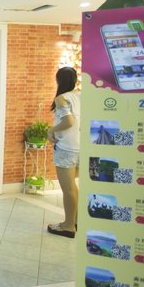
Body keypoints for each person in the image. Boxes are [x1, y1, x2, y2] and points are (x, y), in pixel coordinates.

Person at [47, 66, 80, 238]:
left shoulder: (62, 98)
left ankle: (68, 226)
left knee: (68, 189)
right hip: (82, 147)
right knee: (73, 187)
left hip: (66, 148)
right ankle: (75, 221)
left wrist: (51, 130)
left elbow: (68, 121)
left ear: (58, 80)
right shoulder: (81, 96)